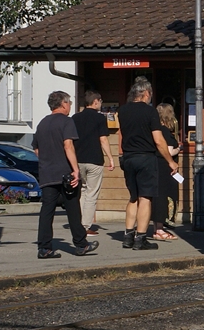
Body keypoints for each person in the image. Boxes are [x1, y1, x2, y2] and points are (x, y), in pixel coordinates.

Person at [35, 91, 100, 259]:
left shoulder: (42, 123)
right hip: (65, 173)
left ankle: (44, 247)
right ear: (63, 104)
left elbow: (37, 149)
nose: (70, 105)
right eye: (69, 103)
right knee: (72, 208)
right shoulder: (66, 121)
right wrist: (75, 169)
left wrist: (47, 161)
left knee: (47, 210)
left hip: (47, 172)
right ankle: (81, 244)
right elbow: (68, 145)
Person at [117, 78, 180, 251]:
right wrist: (170, 161)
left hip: (128, 156)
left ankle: (128, 235)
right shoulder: (150, 111)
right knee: (145, 198)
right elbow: (158, 140)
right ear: (145, 93)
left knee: (133, 197)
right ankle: (141, 238)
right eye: (150, 93)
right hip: (145, 157)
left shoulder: (123, 111)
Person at [72, 90, 115, 236]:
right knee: (92, 193)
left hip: (78, 159)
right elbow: (103, 139)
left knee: (83, 191)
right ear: (95, 101)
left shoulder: (75, 118)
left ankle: (79, 224)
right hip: (94, 159)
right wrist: (110, 157)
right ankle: (86, 226)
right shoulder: (99, 118)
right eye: (100, 101)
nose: (101, 104)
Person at [152, 102, 182, 241]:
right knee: (164, 197)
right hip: (165, 168)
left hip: (156, 166)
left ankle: (156, 228)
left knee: (157, 197)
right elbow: (169, 151)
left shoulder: (155, 130)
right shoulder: (164, 131)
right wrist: (179, 148)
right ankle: (159, 229)